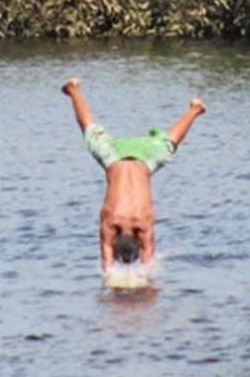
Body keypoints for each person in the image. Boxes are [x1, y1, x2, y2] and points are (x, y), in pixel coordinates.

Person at [60, 77, 204, 271]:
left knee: (168, 144)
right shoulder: (136, 223)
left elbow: (107, 265)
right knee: (91, 131)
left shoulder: (115, 222)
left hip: (143, 160)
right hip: (114, 157)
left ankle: (195, 109)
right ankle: (74, 90)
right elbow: (146, 263)